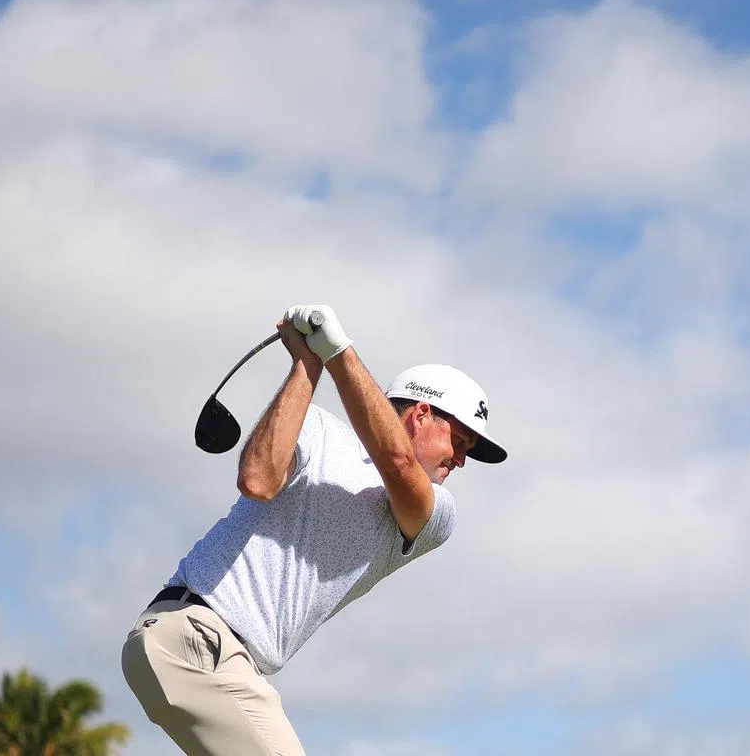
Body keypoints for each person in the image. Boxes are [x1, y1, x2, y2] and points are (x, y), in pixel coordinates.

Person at [121, 304, 508, 755]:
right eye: (458, 442)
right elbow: (259, 480)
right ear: (419, 415)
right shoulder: (319, 429)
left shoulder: (438, 512)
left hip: (221, 658)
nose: (460, 460)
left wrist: (336, 351)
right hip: (195, 637)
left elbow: (399, 464)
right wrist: (309, 362)